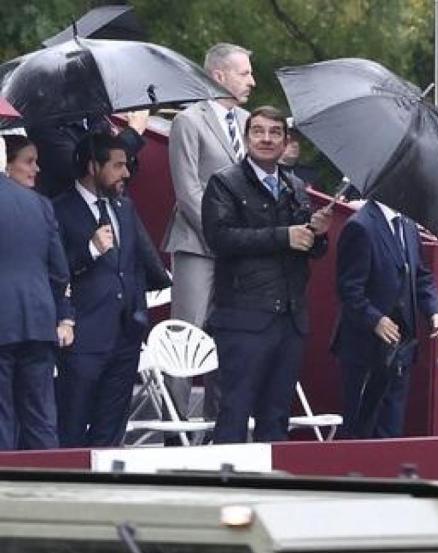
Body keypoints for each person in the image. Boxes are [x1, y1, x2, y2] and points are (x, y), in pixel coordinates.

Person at [201, 106, 331, 444]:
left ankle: (270, 490)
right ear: (246, 138)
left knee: (276, 416)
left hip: (289, 318)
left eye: (275, 132)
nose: (266, 139)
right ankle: (224, 488)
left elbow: (311, 250)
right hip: (245, 317)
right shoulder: (224, 182)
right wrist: (283, 235)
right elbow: (220, 238)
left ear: (286, 141)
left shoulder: (296, 185)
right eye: (258, 131)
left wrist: (317, 233)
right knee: (234, 411)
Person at [163, 43, 255, 422]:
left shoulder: (250, 122)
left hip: (237, 250)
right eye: (244, 73)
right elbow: (187, 190)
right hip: (197, 244)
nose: (252, 80)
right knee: (187, 335)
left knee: (230, 334)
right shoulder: (189, 121)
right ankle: (174, 425)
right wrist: (222, 235)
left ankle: (223, 422)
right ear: (219, 75)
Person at [52, 133, 149, 447]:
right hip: (84, 337)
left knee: (111, 430)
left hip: (125, 336)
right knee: (73, 425)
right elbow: (54, 271)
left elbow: (134, 265)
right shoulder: (59, 210)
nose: (127, 173)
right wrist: (90, 250)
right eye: (119, 165)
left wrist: (139, 316)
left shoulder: (125, 207)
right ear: (94, 166)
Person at [331, 193, 438, 439]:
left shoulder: (407, 224)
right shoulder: (360, 225)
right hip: (366, 349)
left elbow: (421, 275)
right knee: (361, 428)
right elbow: (349, 288)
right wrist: (375, 319)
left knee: (391, 429)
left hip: (401, 346)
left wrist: (434, 310)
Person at [0, 169, 71, 450]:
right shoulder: (39, 203)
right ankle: (48, 484)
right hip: (39, 320)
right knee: (40, 417)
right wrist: (59, 314)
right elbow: (59, 271)